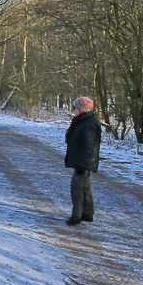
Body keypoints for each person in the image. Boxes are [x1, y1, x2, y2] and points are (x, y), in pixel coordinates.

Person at [64, 96, 101, 226]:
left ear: (82, 109)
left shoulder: (89, 124)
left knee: (76, 187)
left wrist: (81, 164)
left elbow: (89, 146)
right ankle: (87, 213)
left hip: (84, 162)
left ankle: (76, 215)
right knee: (85, 187)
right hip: (83, 161)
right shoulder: (82, 121)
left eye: (76, 107)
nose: (74, 109)